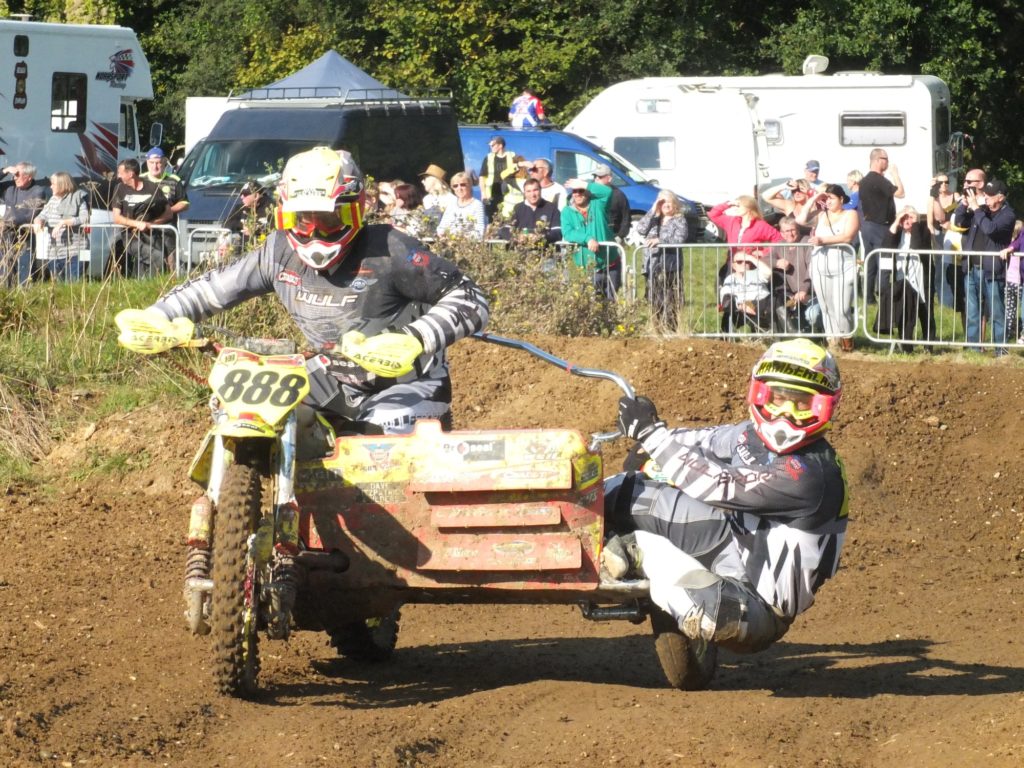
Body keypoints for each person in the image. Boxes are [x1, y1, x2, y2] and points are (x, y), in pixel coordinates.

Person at [118, 146, 489, 434]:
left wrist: (415, 338)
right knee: (242, 411)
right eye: (301, 219)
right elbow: (210, 289)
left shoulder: (389, 248)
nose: (313, 232)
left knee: (377, 447)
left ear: (355, 209)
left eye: (327, 220)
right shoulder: (278, 251)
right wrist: (157, 316)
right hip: (331, 375)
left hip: (407, 384)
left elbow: (472, 298)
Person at [604, 338, 848, 656]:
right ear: (760, 393)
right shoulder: (749, 435)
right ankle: (571, 534)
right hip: (731, 548)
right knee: (623, 489)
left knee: (706, 612)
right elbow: (699, 440)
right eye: (777, 399)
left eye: (800, 403)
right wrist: (652, 442)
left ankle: (636, 548)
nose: (785, 413)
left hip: (758, 609)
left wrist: (653, 437)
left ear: (824, 406)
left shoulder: (812, 474)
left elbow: (718, 484)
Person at [797, 184, 860, 352]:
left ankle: (847, 341)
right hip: (820, 266)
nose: (828, 201)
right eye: (826, 198)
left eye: (831, 198)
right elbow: (800, 220)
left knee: (842, 308)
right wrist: (814, 198)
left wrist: (823, 240)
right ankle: (832, 341)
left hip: (843, 267)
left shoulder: (850, 214)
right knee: (826, 307)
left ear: (841, 199)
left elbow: (847, 237)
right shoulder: (820, 215)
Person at [955, 178, 1015, 352]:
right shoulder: (982, 210)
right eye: (985, 194)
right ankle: (973, 349)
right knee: (972, 311)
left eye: (990, 195)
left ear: (1000, 197)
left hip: (992, 269)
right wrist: (964, 205)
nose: (986, 197)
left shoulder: (1008, 215)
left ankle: (1000, 350)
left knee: (996, 312)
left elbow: (990, 229)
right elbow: (960, 222)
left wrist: (976, 208)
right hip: (971, 267)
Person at [884, 205, 936, 349]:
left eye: (911, 218)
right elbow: (886, 246)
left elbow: (917, 245)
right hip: (903, 278)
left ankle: (928, 346)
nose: (907, 221)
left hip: (920, 278)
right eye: (905, 218)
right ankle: (906, 345)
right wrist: (896, 222)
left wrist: (915, 224)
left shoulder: (923, 230)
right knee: (905, 311)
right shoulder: (898, 233)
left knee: (925, 311)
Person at [635, 190, 688, 330]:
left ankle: (671, 330)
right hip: (651, 265)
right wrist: (653, 210)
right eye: (662, 202)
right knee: (654, 300)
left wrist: (660, 240)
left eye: (669, 202)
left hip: (670, 266)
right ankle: (657, 329)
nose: (666, 205)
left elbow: (680, 239)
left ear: (675, 204)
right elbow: (640, 229)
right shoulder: (654, 219)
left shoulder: (679, 220)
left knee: (671, 301)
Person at [560, 177, 619, 299]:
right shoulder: (566, 212)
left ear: (587, 191)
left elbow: (608, 192)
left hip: (610, 263)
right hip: (587, 266)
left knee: (611, 302)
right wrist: (587, 239)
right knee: (591, 303)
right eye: (574, 191)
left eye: (581, 190)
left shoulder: (598, 203)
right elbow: (568, 233)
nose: (577, 194)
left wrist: (585, 184)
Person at [858, 148, 904, 305]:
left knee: (870, 262)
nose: (888, 162)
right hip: (881, 227)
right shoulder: (879, 180)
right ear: (877, 160)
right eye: (886, 159)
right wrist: (895, 174)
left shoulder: (864, 180)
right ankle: (885, 296)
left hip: (867, 226)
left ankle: (868, 297)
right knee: (885, 262)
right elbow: (901, 193)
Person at [111, 158, 171, 276]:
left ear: (130, 174)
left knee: (143, 266)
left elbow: (168, 213)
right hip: (130, 237)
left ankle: (143, 283)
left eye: (121, 173)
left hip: (151, 236)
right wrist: (137, 224)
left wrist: (152, 224)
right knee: (156, 257)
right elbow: (117, 218)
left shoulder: (152, 188)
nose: (118, 176)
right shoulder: (119, 189)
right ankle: (154, 283)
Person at [32, 171, 89, 281]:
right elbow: (42, 215)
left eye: (53, 184)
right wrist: (37, 221)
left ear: (62, 185)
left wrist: (63, 222)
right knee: (59, 284)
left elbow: (85, 218)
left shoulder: (79, 197)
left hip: (78, 250)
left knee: (74, 283)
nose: (50, 187)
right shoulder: (52, 200)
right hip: (55, 251)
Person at [1, 161, 50, 285]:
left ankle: (25, 292)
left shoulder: (38, 191)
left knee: (24, 267)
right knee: (6, 267)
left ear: (29, 177)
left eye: (18, 174)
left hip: (24, 235)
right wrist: (4, 171)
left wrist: (6, 222)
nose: (14, 178)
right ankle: (7, 291)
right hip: (6, 236)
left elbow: (28, 216)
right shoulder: (9, 188)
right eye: (14, 175)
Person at [140, 147, 188, 271]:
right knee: (149, 264)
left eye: (158, 163)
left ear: (164, 163)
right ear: (147, 163)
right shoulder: (141, 180)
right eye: (152, 163)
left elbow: (184, 203)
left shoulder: (173, 180)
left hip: (168, 231)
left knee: (172, 265)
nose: (155, 166)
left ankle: (173, 280)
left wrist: (168, 212)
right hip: (146, 232)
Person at [774, 215, 815, 332]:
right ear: (781, 233)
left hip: (810, 292)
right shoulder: (779, 245)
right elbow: (766, 259)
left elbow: (811, 268)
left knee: (811, 314)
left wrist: (804, 289)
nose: (790, 234)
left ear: (798, 230)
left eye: (793, 230)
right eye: (786, 231)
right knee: (775, 303)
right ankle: (789, 334)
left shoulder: (806, 242)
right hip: (789, 294)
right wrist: (776, 262)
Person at [927, 173, 962, 310]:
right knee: (940, 265)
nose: (944, 185)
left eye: (946, 182)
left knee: (952, 264)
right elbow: (933, 220)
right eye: (940, 182)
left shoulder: (955, 195)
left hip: (954, 233)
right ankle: (943, 299)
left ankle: (953, 298)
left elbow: (959, 213)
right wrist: (934, 196)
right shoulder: (932, 198)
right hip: (939, 234)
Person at [505, 177, 561, 244]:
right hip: (521, 249)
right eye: (528, 191)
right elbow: (505, 229)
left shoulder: (552, 208)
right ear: (524, 193)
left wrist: (540, 237)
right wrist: (517, 237)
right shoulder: (518, 208)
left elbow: (557, 232)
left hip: (543, 249)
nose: (532, 194)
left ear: (540, 190)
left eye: (535, 190)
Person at [436, 171, 486, 240]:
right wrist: (442, 233)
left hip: (466, 243)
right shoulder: (451, 204)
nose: (459, 188)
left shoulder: (477, 205)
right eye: (455, 186)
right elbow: (441, 227)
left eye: (463, 185)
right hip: (448, 241)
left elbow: (480, 231)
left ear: (470, 185)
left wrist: (459, 237)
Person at [478, 136, 516, 220]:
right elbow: (482, 177)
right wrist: (483, 194)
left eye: (492, 145)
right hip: (492, 195)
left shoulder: (512, 156)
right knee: (492, 220)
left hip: (508, 194)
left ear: (500, 145)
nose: (490, 147)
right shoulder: (488, 158)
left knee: (508, 219)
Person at [999, 220, 1024, 345]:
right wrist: (1010, 248)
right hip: (1013, 281)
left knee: (1016, 309)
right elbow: (1018, 242)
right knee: (1010, 310)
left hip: (1017, 281)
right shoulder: (1016, 240)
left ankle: (1015, 334)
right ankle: (1007, 335)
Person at [592, 164, 630, 241]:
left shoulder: (618, 195)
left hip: (612, 237)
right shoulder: (589, 193)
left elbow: (626, 218)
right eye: (595, 176)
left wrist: (620, 236)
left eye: (600, 176)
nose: (596, 179)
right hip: (593, 236)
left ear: (609, 178)